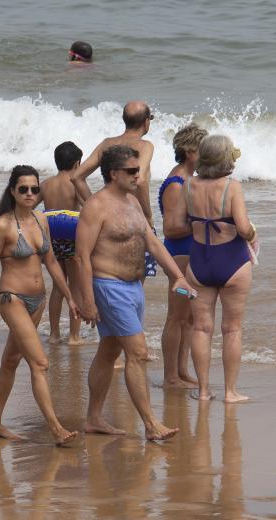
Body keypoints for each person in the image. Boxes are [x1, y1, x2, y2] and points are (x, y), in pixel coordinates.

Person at [76, 145, 196, 441]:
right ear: (113, 173)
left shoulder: (132, 201)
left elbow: (153, 243)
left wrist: (177, 276)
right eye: (131, 171)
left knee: (109, 351)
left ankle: (93, 418)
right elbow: (81, 256)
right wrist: (87, 301)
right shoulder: (96, 206)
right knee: (138, 353)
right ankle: (151, 423)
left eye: (138, 170)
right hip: (108, 286)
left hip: (133, 287)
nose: (137, 175)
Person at [0, 165, 80, 445]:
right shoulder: (2, 226)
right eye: (24, 189)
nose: (31, 194)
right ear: (13, 191)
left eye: (35, 189)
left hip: (38, 301)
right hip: (13, 299)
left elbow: (51, 262)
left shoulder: (41, 220)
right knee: (40, 363)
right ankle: (56, 428)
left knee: (11, 361)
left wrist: (69, 296)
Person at [179, 135, 257, 402]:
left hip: (199, 260)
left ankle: (202, 391)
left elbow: (181, 223)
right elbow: (244, 229)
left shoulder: (188, 185)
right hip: (232, 260)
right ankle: (230, 392)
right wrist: (254, 232)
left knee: (201, 328)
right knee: (232, 329)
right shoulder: (232, 187)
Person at [71, 100, 157, 278]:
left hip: (108, 220)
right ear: (146, 122)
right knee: (134, 280)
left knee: (108, 275)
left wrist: (94, 206)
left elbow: (76, 177)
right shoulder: (145, 146)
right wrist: (147, 215)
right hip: (134, 219)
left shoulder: (106, 144)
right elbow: (140, 180)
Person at [159, 124, 208, 389]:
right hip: (178, 254)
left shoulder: (190, 179)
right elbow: (170, 227)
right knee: (176, 317)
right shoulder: (176, 183)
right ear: (190, 151)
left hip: (190, 252)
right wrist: (203, 224)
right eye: (203, 149)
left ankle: (182, 370)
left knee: (189, 318)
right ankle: (170, 377)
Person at [41, 141, 84, 344]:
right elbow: (90, 206)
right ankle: (74, 336)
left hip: (52, 236)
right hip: (71, 234)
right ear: (77, 163)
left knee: (58, 286)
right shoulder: (76, 183)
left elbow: (30, 205)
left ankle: (54, 334)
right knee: (75, 287)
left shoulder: (46, 184)